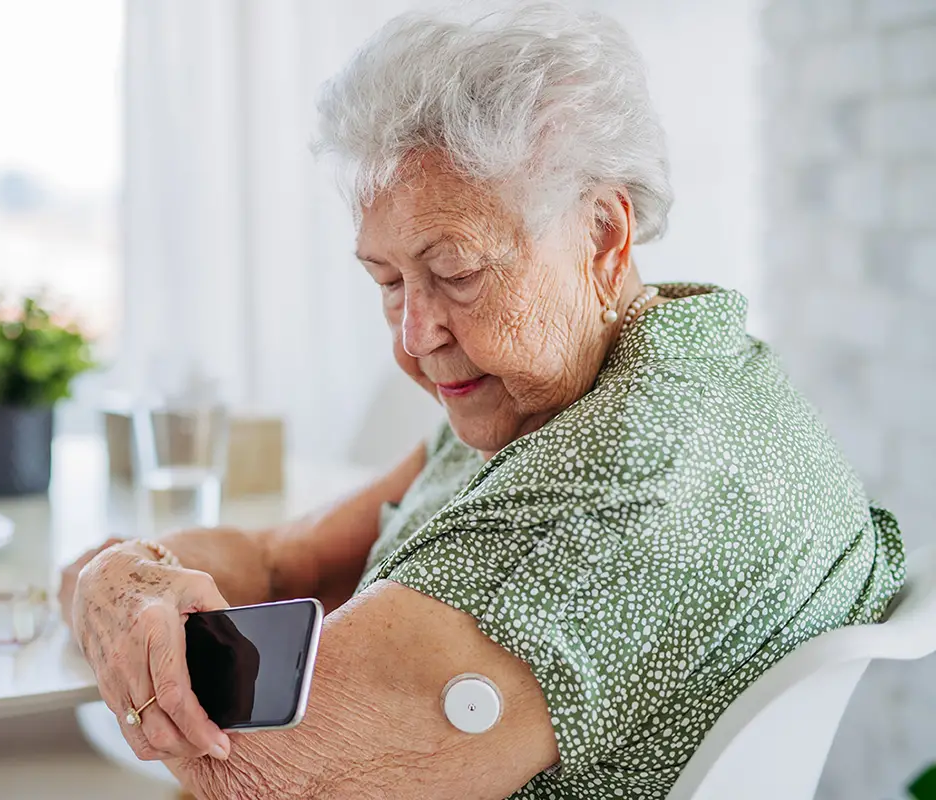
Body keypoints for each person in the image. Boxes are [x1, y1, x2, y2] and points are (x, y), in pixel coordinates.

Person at [60, 4, 905, 798]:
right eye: (388, 282)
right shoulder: (600, 379)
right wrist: (127, 584)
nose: (414, 334)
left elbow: (264, 772)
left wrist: (117, 597)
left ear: (604, 236)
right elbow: (289, 563)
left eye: (456, 272)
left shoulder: (620, 483)